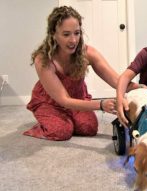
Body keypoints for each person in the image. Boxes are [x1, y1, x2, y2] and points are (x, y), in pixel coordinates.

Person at [24, 6, 132, 141]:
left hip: (78, 98)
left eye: (77, 33)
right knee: (61, 131)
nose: (73, 40)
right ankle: (47, 122)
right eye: (66, 34)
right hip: (50, 102)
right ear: (53, 34)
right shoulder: (43, 59)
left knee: (89, 128)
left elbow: (117, 81)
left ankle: (67, 119)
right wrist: (101, 104)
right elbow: (64, 100)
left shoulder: (88, 53)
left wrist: (139, 88)